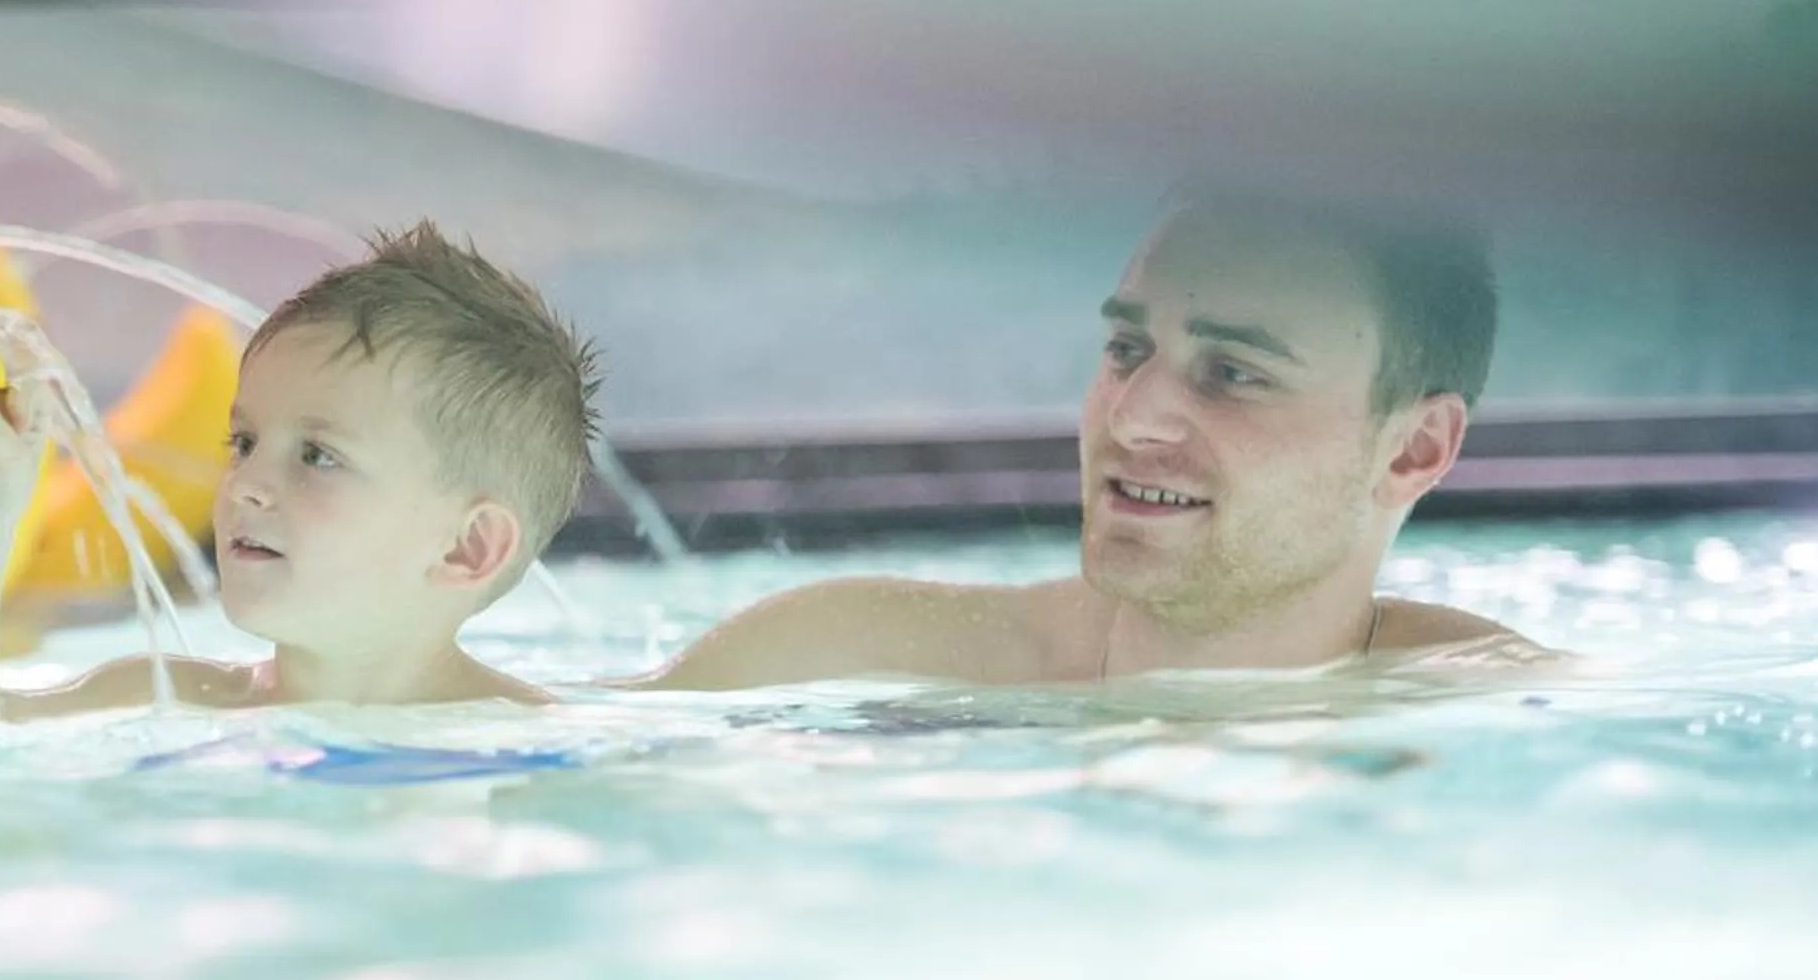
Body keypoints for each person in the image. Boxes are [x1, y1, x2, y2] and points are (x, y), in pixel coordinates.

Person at [639, 193, 1540, 691]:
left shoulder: (1508, 719)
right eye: (1125, 350)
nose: (1131, 414)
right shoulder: (846, 652)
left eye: (1234, 372)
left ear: (1415, 449)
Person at [0, 223, 603, 718]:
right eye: (243, 442)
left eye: (318, 456)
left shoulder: (535, 746)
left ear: (466, 547)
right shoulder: (161, 700)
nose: (245, 484)